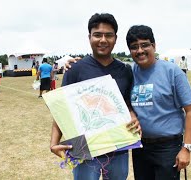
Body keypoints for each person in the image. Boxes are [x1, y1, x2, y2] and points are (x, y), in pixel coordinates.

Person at [50, 13, 141, 180]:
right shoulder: (75, 70)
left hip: (118, 144)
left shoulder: (125, 70)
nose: (103, 40)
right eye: (97, 35)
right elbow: (63, 110)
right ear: (89, 37)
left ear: (115, 38)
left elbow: (128, 104)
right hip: (83, 145)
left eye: (109, 35)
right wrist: (54, 142)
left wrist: (133, 115)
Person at [126, 25, 191, 180]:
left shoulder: (173, 72)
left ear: (154, 45)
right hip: (140, 147)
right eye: (134, 47)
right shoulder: (129, 73)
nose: (140, 50)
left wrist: (187, 148)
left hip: (168, 148)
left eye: (145, 45)